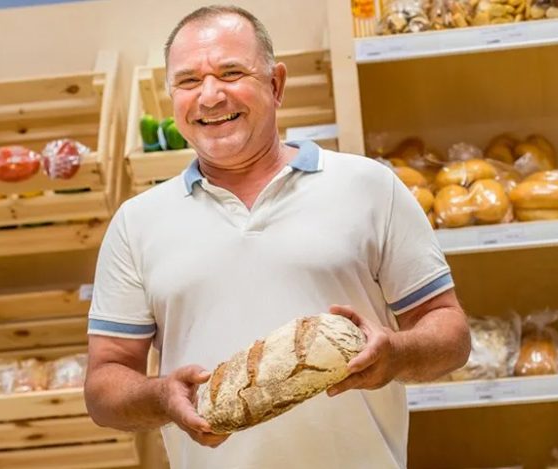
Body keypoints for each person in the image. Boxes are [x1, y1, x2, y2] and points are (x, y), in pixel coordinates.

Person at [84, 5, 470, 469]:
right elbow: (105, 384)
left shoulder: (368, 186)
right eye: (188, 82)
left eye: (231, 72)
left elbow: (450, 333)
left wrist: (395, 353)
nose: (209, 96)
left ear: (276, 84)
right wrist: (160, 397)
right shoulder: (137, 223)